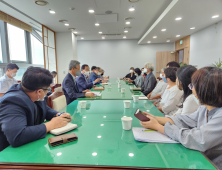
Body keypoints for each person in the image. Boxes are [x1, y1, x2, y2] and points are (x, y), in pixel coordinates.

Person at [140, 67, 222, 169]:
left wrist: (159, 127)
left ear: (206, 90)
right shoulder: (204, 109)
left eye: (193, 86)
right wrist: (156, 119)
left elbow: (198, 139)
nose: (192, 89)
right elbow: (183, 120)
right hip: (201, 159)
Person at [0, 67, 72, 151]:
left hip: (32, 144)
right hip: (10, 154)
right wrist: (50, 125)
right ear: (39, 91)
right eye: (47, 89)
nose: (47, 92)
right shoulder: (12, 102)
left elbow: (44, 108)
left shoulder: (31, 92)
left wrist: (58, 114)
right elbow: (17, 136)